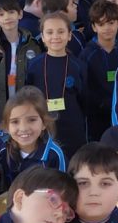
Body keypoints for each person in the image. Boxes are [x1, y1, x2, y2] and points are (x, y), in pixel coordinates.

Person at [0, 87, 66, 195]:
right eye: (15, 122)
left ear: (44, 123)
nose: (23, 128)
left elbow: (63, 191)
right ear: (6, 126)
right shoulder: (1, 141)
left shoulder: (54, 155)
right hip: (6, 207)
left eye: (32, 120)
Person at [26, 12, 89, 160]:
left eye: (61, 31)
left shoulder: (78, 66)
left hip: (73, 127)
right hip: (43, 127)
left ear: (69, 35)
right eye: (49, 32)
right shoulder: (34, 65)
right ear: (42, 37)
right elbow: (29, 96)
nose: (55, 36)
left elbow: (85, 99)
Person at [81, 0, 118, 140]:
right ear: (94, 27)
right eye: (101, 24)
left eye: (111, 23)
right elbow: (85, 88)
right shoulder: (86, 55)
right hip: (96, 118)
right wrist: (101, 103)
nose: (107, 28)